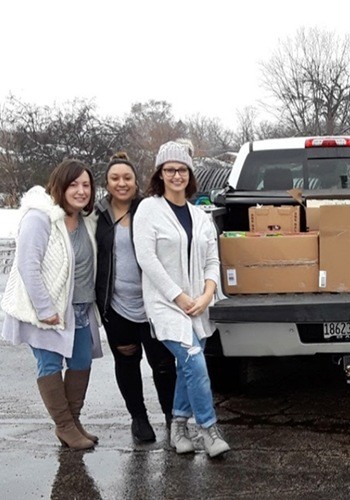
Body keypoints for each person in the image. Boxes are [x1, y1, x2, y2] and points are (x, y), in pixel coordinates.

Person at [132, 141, 230, 458]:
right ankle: (209, 429)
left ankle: (178, 425)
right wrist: (180, 297)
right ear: (160, 174)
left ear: (190, 174)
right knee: (194, 359)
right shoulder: (149, 209)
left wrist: (205, 294)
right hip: (166, 304)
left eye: (182, 169)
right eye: (170, 169)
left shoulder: (201, 216)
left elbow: (213, 261)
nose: (177, 175)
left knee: (190, 366)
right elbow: (147, 259)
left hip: (198, 306)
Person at [1, 159, 102, 450]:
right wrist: (45, 309)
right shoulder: (40, 217)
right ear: (59, 185)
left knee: (82, 362)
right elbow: (27, 265)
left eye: (86, 185)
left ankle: (74, 420)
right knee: (50, 364)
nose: (81, 191)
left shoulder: (85, 220)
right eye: (74, 184)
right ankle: (64, 426)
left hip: (81, 307)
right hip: (46, 310)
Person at [95, 151, 176, 443]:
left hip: (153, 306)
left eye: (127, 177)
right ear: (107, 182)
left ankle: (172, 418)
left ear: (136, 181)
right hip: (116, 308)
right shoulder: (97, 215)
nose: (121, 183)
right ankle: (138, 418)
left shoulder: (149, 209)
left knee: (164, 364)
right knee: (127, 363)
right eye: (115, 178)